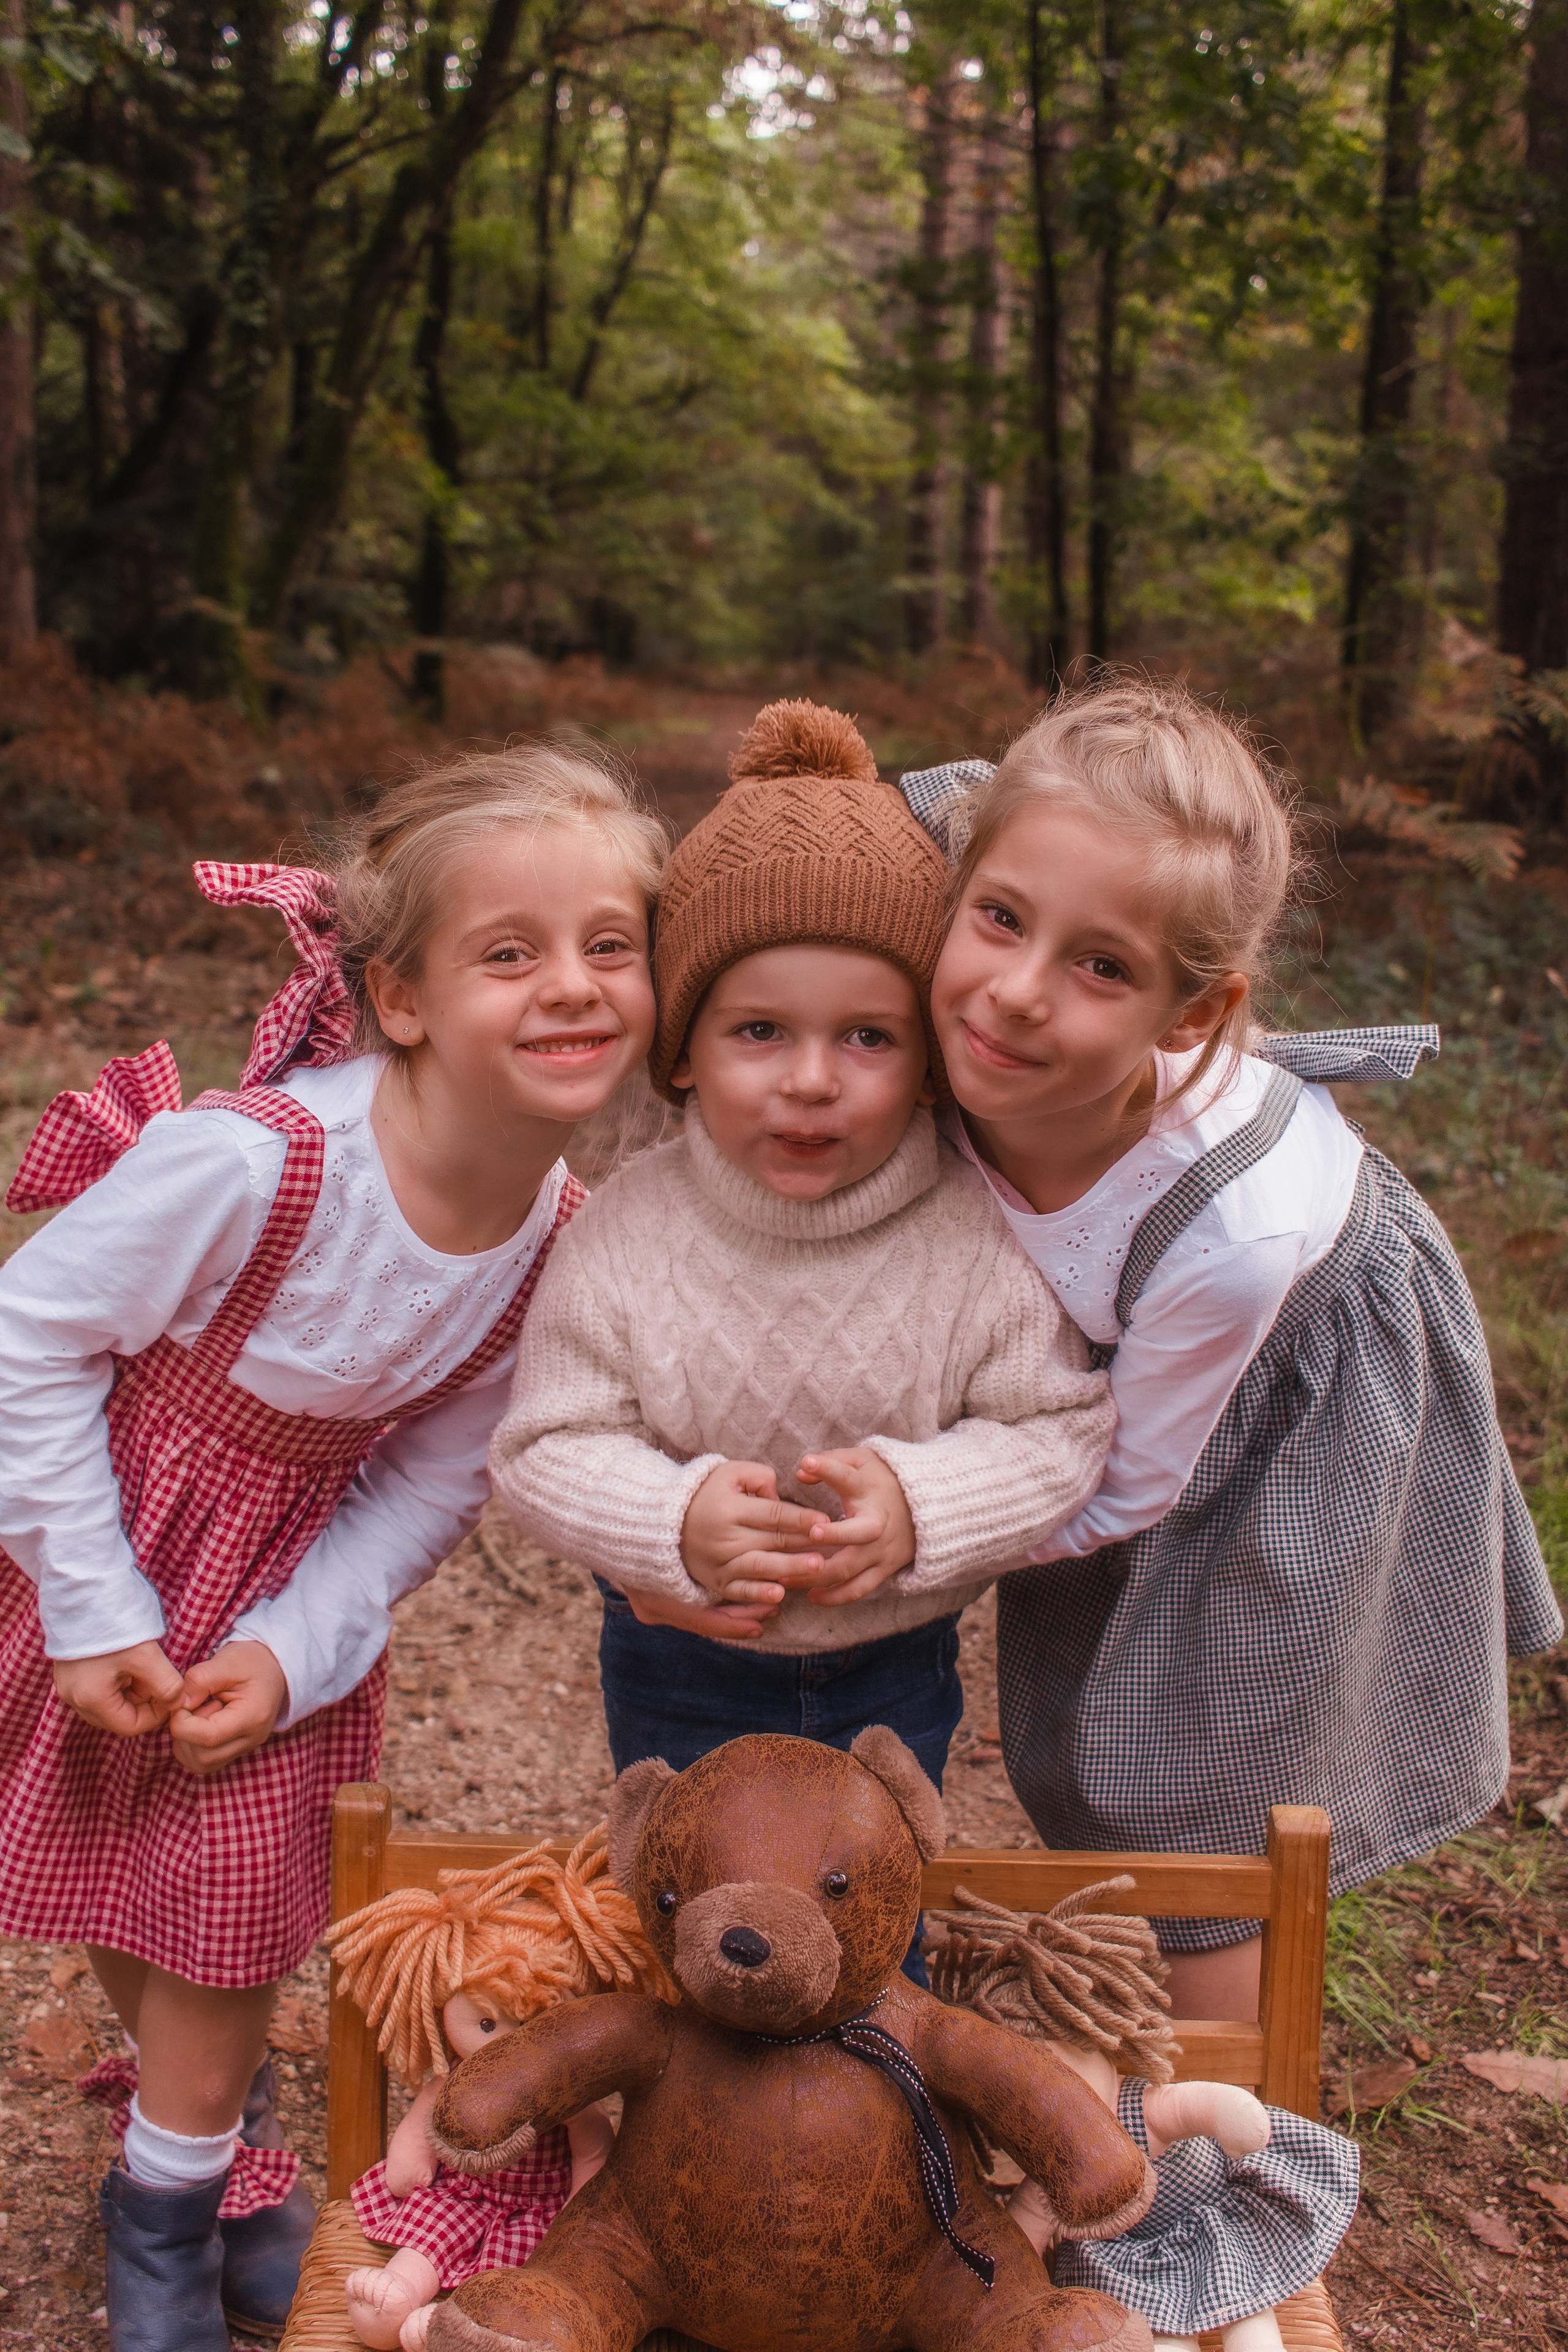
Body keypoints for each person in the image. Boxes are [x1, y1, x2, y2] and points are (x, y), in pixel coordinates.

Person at [0, 747, 664, 2352]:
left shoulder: (554, 1240)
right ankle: (198, 2161)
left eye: (612, 946)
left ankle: (165, 2206)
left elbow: (437, 1481)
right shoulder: (262, 1164)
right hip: (91, 1526)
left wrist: (304, 1641)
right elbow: (30, 1334)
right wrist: (89, 1605)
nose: (571, 986)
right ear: (406, 998)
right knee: (120, 1857)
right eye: (511, 953)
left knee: (225, 1905)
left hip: (273, 1588)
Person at [898, 676, 1562, 2022]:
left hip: (1291, 1397)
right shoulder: (956, 1031)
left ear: (1191, 1015)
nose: (1016, 994)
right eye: (1000, 919)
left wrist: (910, 1520)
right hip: (1138, 1366)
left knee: (1200, 1784)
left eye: (1102, 967)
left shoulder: (1230, 1231)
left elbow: (1126, 1488)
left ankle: (1223, 2134)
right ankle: (1121, 2023)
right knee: (1086, 1719)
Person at [489, 698, 1115, 1913]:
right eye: (758, 1031)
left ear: (929, 1055)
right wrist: (667, 1520)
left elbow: (1058, 1426)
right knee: (693, 1909)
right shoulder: (625, 1236)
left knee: (866, 1915)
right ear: (681, 1048)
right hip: (679, 1658)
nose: (811, 1081)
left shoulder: (969, 1236)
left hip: (893, 1666)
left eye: (868, 1036)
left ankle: (884, 2091)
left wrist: (920, 1501)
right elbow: (544, 1446)